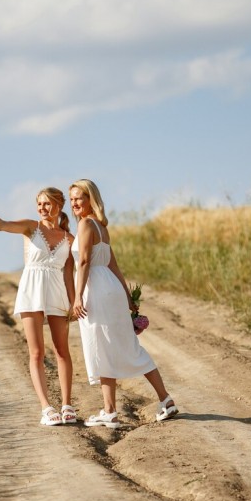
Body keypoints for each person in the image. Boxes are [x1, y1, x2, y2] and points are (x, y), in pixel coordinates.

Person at [0, 188, 77, 427]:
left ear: (59, 205)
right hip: (32, 290)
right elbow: (2, 225)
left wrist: (74, 302)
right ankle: (46, 407)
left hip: (57, 292)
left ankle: (67, 405)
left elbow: (69, 275)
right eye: (40, 204)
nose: (42, 208)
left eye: (47, 204)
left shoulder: (69, 239)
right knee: (37, 352)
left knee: (62, 351)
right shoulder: (30, 227)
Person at [69, 179, 178, 428]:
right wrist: (127, 297)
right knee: (129, 346)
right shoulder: (101, 226)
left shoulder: (86, 224)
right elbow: (113, 264)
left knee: (100, 346)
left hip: (95, 288)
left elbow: (84, 262)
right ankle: (163, 400)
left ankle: (110, 411)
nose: (75, 203)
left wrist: (77, 296)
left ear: (90, 199)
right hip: (111, 289)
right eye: (72, 199)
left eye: (79, 198)